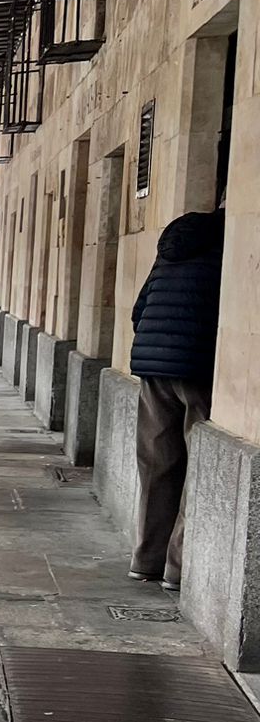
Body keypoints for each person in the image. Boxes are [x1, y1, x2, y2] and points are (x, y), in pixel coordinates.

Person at [127, 207, 225, 591]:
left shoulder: (170, 250)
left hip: (154, 366)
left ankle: (145, 559)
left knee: (156, 464)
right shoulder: (224, 247)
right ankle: (177, 567)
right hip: (199, 367)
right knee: (197, 464)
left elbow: (139, 311)